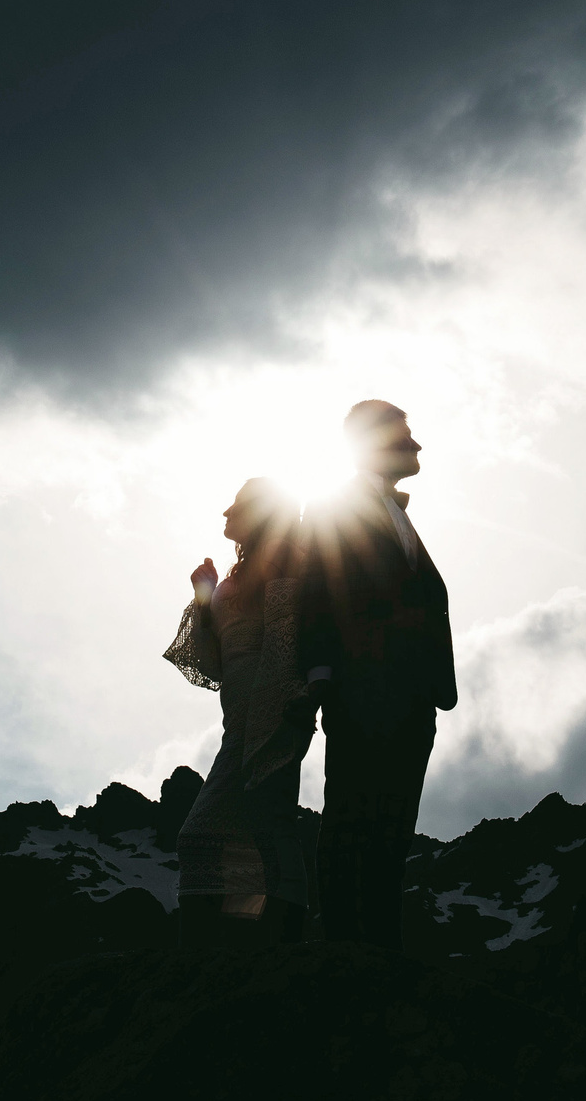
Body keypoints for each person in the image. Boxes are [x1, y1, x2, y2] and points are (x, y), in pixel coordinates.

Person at [298, 400, 454, 949]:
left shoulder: (398, 514)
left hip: (414, 696)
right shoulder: (334, 507)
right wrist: (323, 677)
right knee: (350, 815)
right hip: (362, 687)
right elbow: (316, 591)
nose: (417, 445)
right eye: (407, 434)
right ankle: (343, 947)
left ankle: (383, 948)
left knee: (394, 824)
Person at [162, 477, 319, 950]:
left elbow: (286, 638)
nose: (226, 517)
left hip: (271, 708)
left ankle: (271, 930)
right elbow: (208, 662)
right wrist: (204, 593)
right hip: (241, 715)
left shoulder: (285, 561)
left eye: (239, 509)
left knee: (209, 833)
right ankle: (262, 932)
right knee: (263, 824)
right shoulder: (238, 575)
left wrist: (278, 712)